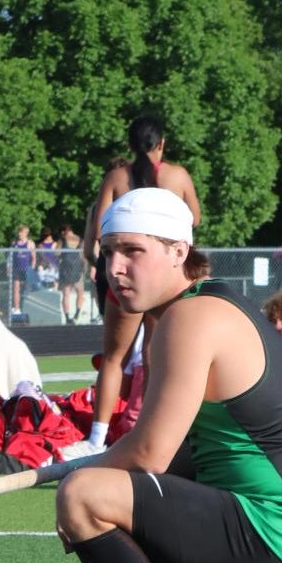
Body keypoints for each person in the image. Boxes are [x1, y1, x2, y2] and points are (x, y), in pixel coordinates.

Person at [55, 190, 282, 563]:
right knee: (144, 489)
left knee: (82, 496)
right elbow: (178, 457)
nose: (115, 268)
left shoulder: (189, 318)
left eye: (133, 251)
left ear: (178, 251)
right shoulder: (204, 304)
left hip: (276, 530)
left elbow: (151, 451)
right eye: (109, 251)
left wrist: (78, 476)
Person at [86, 117, 202, 450]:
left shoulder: (117, 177)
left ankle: (96, 438)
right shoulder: (177, 176)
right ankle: (150, 427)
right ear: (161, 143)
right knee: (155, 352)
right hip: (164, 277)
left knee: (113, 357)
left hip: (124, 280)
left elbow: (100, 229)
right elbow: (194, 218)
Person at [58, 227, 86, 323]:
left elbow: (57, 253)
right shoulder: (80, 240)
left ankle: (67, 317)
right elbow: (83, 256)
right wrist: (84, 268)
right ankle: (76, 315)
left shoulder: (62, 240)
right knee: (80, 292)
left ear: (67, 230)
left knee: (66, 293)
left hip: (66, 267)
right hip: (78, 268)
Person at [8, 227, 36, 321]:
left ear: (26, 233)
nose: (19, 234)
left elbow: (34, 258)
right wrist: (9, 267)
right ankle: (16, 308)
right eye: (19, 232)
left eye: (21, 232)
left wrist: (32, 269)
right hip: (16, 269)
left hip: (26, 269)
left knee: (27, 288)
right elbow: (10, 257)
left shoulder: (30, 243)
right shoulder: (14, 243)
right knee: (16, 288)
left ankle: (28, 307)